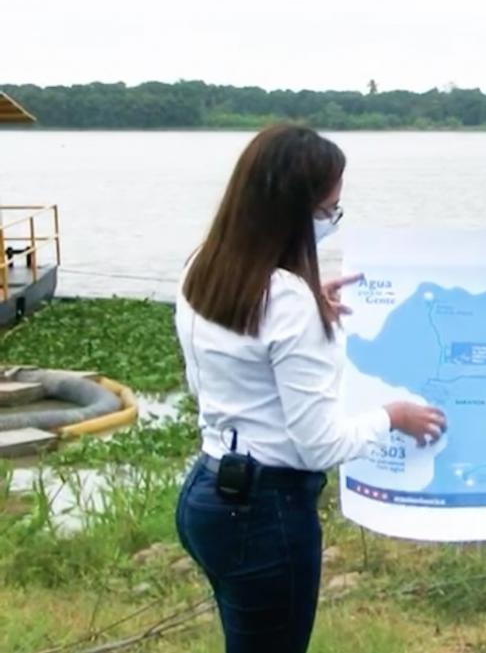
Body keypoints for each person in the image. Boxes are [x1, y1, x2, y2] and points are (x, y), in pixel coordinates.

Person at [174, 124, 447, 652]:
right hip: (265, 513)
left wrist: (305, 296)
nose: (332, 222)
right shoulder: (286, 301)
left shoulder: (204, 264)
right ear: (291, 211)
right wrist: (393, 417)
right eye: (328, 210)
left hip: (206, 493)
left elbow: (215, 366)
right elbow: (320, 445)